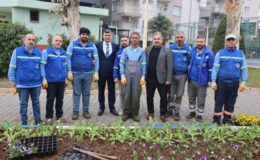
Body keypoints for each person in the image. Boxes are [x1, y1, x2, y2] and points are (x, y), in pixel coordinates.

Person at [211, 34, 248, 125]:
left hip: (234, 83)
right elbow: (215, 68)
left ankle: (227, 120)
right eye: (229, 39)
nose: (231, 41)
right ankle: (216, 120)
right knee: (219, 102)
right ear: (226, 41)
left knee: (231, 102)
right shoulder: (220, 53)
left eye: (233, 39)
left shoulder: (240, 54)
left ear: (236, 41)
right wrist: (213, 81)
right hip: (221, 82)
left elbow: (244, 68)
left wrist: (243, 82)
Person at [8, 33, 42, 125]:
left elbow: (41, 68)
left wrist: (43, 80)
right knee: (23, 104)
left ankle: (37, 120)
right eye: (29, 39)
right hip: (22, 84)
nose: (31, 41)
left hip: (36, 84)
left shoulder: (39, 53)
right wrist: (13, 81)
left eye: (33, 40)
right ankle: (24, 121)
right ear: (24, 40)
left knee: (36, 103)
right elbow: (12, 67)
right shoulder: (17, 51)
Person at [67, 27, 99, 120]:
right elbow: (68, 58)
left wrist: (96, 72)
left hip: (88, 74)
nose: (85, 36)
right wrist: (69, 71)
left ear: (88, 36)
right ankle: (75, 112)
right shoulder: (72, 45)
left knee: (86, 93)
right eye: (83, 34)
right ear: (80, 35)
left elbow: (96, 59)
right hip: (75, 73)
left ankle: (86, 111)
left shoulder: (92, 46)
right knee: (76, 93)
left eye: (86, 35)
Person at [186, 36, 214, 122]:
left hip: (202, 81)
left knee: (201, 99)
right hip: (191, 80)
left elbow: (210, 68)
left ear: (205, 42)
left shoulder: (209, 54)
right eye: (198, 41)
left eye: (201, 42)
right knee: (191, 97)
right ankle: (192, 112)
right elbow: (189, 62)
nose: (199, 43)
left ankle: (199, 115)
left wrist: (209, 80)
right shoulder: (193, 51)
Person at [145, 32, 172, 123]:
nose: (156, 40)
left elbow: (170, 66)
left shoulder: (167, 50)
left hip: (162, 79)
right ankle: (151, 112)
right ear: (153, 40)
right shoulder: (148, 49)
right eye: (155, 39)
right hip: (150, 78)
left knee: (163, 97)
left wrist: (168, 79)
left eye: (158, 39)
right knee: (149, 96)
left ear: (162, 40)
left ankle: (162, 114)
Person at [41, 35, 68, 124]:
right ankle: (49, 117)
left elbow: (65, 67)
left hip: (61, 81)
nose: (58, 42)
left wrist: (66, 78)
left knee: (60, 99)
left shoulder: (64, 53)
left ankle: (59, 116)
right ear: (52, 42)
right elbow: (42, 65)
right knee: (50, 99)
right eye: (56, 40)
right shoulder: (46, 52)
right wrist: (44, 78)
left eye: (60, 41)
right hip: (50, 81)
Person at [120, 32, 146, 122]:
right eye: (133, 38)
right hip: (127, 76)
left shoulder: (142, 51)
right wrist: (122, 75)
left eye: (136, 38)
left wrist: (143, 76)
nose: (134, 39)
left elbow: (143, 64)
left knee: (136, 95)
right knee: (126, 94)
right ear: (130, 39)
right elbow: (122, 63)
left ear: (138, 39)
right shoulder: (126, 50)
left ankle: (135, 113)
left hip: (137, 77)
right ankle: (126, 113)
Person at [168, 31, 192, 121]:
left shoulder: (188, 48)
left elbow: (190, 61)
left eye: (181, 37)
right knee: (170, 94)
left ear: (184, 38)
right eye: (177, 37)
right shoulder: (170, 47)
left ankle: (177, 112)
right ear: (175, 38)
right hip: (172, 75)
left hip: (183, 75)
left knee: (179, 94)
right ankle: (170, 110)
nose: (179, 39)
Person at [96, 29, 119, 116]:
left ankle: (112, 108)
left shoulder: (116, 46)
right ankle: (101, 108)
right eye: (106, 35)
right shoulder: (97, 45)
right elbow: (95, 56)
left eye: (109, 35)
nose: (107, 37)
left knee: (112, 91)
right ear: (103, 36)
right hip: (101, 72)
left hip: (111, 73)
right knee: (100, 91)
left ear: (111, 36)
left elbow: (117, 59)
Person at [113, 36, 129, 115]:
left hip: (131, 77)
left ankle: (130, 110)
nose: (124, 42)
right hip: (120, 77)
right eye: (122, 40)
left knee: (131, 93)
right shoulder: (118, 52)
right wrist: (115, 76)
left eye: (125, 40)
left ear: (128, 41)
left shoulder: (132, 51)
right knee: (122, 94)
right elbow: (115, 65)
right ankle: (122, 109)